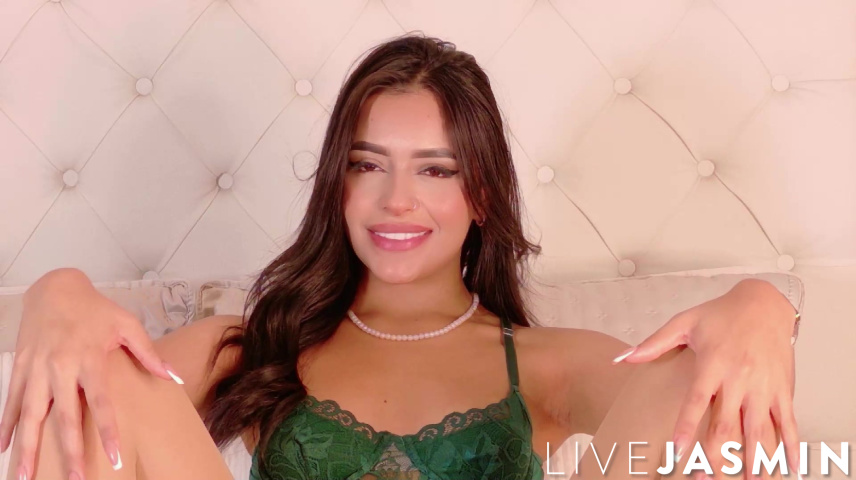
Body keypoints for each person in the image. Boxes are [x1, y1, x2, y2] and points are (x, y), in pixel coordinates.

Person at [2, 34, 801, 480]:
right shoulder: (256, 345)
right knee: (91, 377)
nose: (396, 202)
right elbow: (115, 388)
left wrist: (762, 307)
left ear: (480, 194)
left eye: (435, 171)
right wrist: (57, 293)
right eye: (367, 164)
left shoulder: (544, 364)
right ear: (338, 183)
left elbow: (678, 401)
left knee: (705, 383)